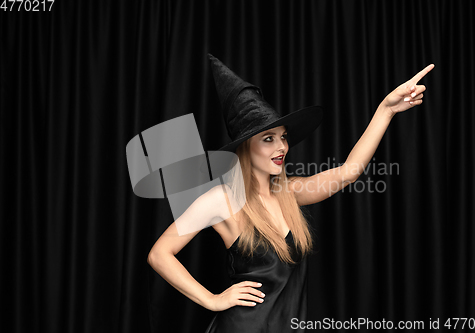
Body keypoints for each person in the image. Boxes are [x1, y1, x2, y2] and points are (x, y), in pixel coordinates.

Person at [147, 54, 434, 332]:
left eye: (283, 137)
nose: (281, 147)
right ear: (245, 147)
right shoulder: (221, 200)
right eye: (268, 139)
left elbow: (348, 172)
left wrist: (386, 109)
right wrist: (212, 299)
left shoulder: (289, 192)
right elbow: (160, 254)